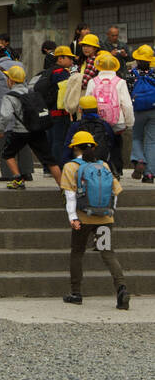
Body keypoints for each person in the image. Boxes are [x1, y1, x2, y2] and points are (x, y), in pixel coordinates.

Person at [59, 131, 128, 309]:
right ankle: (121, 288)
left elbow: (70, 196)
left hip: (82, 219)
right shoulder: (103, 165)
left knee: (77, 253)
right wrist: (110, 212)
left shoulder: (70, 167)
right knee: (107, 253)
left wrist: (73, 218)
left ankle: (76, 293)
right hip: (105, 218)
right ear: (93, 147)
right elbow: (115, 193)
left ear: (75, 147)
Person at [0, 64, 63, 188]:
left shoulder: (9, 96)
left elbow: (5, 116)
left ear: (11, 80)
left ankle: (18, 180)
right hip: (37, 129)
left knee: (7, 154)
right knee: (49, 160)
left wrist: (0, 130)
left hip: (20, 131)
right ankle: (64, 187)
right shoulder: (32, 92)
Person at [0, 45, 35, 182]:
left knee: (5, 142)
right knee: (23, 141)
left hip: (3, 107)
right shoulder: (20, 65)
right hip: (21, 107)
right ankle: (26, 171)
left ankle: (8, 173)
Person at [84, 51, 133, 178]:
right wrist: (129, 122)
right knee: (116, 143)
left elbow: (87, 101)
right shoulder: (120, 82)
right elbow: (127, 104)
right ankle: (117, 168)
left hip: (98, 120)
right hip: (117, 120)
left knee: (99, 143)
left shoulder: (93, 82)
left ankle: (102, 168)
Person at [66, 96, 120, 177]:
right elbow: (111, 144)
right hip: (101, 166)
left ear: (80, 110)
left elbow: (67, 148)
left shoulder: (76, 126)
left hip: (80, 167)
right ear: (97, 109)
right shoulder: (105, 125)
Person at [43, 45, 78, 166]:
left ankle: (48, 168)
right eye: (69, 58)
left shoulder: (49, 71)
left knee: (51, 141)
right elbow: (65, 94)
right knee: (59, 141)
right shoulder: (61, 73)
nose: (72, 61)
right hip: (60, 113)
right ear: (60, 58)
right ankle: (57, 167)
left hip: (49, 112)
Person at [129, 44, 155, 184]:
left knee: (137, 137)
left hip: (138, 110)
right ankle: (149, 175)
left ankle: (139, 159)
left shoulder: (131, 74)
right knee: (151, 141)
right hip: (153, 109)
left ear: (137, 60)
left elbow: (128, 93)